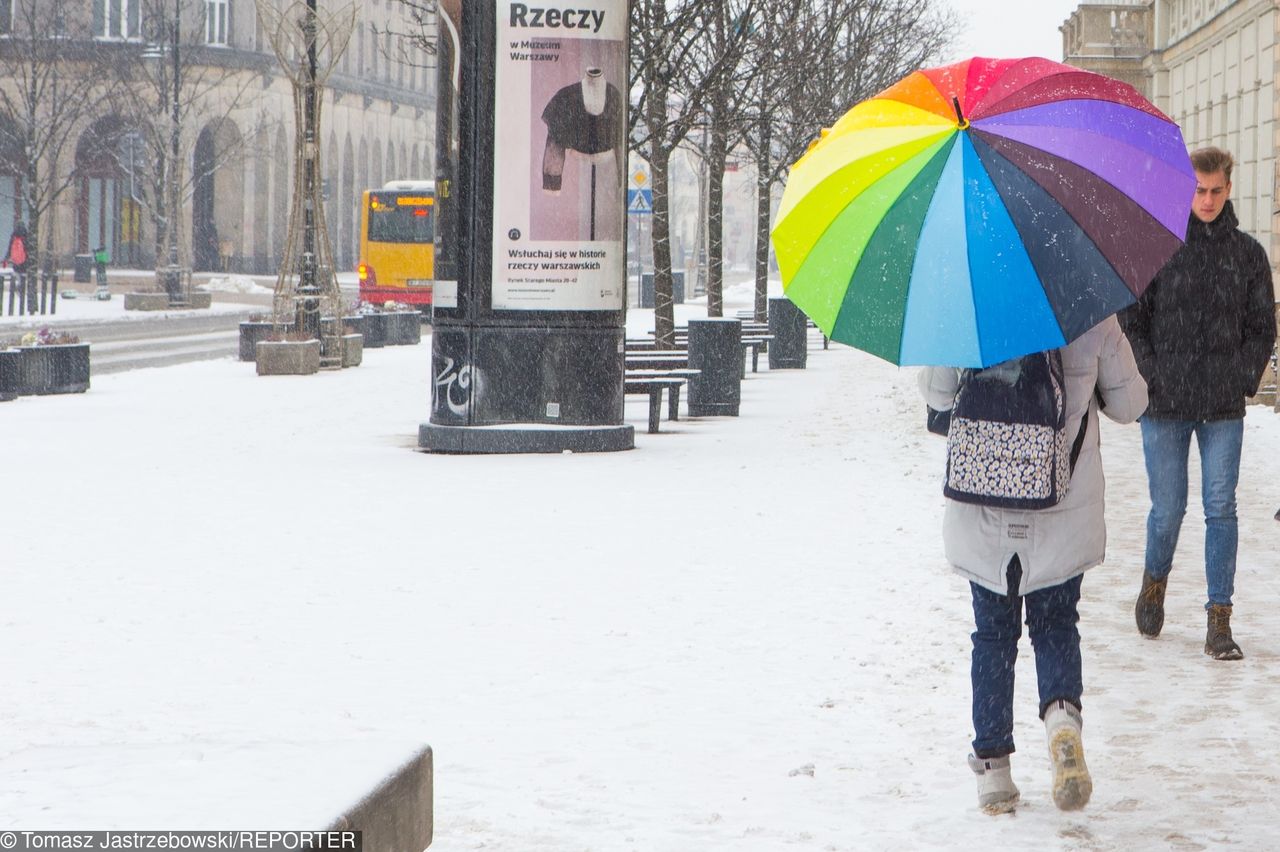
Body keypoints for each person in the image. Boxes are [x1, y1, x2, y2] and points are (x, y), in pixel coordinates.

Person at [919, 316, 1148, 815]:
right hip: (1061, 509)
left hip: (984, 507)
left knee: (994, 636)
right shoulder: (1089, 307)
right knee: (1056, 626)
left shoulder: (969, 303)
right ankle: (1062, 722)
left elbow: (936, 398)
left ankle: (994, 770)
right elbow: (1132, 406)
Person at [1119, 147, 1276, 661]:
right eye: (1198, 190)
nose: (1206, 200)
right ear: (1185, 190)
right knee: (1168, 510)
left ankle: (1219, 619)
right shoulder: (1157, 248)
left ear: (1228, 189)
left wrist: (1239, 378)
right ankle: (1154, 582)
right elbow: (1132, 323)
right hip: (1164, 403)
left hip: (1223, 406)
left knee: (1221, 507)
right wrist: (1155, 376)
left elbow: (1262, 330)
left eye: (1215, 190)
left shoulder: (1248, 255)